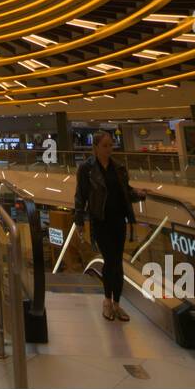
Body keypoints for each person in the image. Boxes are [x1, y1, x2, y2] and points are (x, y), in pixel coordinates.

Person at [72, 131, 141, 322]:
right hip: (100, 221)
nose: (109, 149)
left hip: (119, 219)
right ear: (95, 148)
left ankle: (116, 304)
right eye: (105, 146)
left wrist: (139, 193)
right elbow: (81, 196)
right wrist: (79, 220)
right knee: (110, 261)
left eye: (111, 145)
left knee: (117, 262)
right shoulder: (86, 169)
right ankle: (107, 301)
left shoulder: (118, 167)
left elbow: (125, 192)